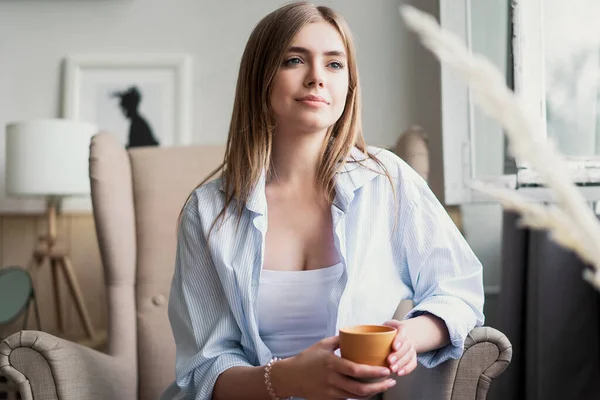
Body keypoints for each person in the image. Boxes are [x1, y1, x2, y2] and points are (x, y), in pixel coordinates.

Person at [162, 3, 484, 400]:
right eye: (294, 60)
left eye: (334, 65)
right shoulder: (209, 210)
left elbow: (458, 290)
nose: (317, 78)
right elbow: (204, 369)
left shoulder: (389, 181)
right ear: (260, 77)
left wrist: (408, 336)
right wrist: (287, 379)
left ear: (349, 84)